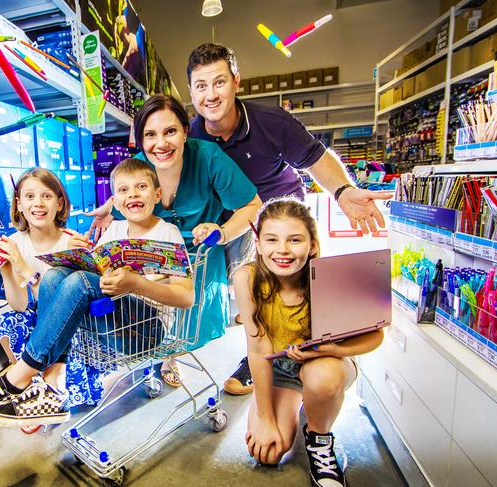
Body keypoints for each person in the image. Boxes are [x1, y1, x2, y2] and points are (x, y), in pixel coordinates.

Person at [185, 43, 392, 395]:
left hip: (280, 213)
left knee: (287, 286)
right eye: (201, 86)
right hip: (232, 218)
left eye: (219, 82)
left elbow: (316, 157)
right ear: (191, 91)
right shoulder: (191, 136)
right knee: (244, 289)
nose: (211, 95)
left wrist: (343, 192)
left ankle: (309, 353)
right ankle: (259, 357)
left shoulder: (271, 122)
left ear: (236, 81)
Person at [0, 159, 195, 431]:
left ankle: (14, 379)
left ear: (157, 194)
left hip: (145, 330)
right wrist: (81, 257)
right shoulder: (113, 231)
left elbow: (186, 298)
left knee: (80, 281)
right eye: (123, 190)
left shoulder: (168, 234)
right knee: (55, 275)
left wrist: (135, 284)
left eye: (141, 187)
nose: (132, 194)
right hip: (109, 325)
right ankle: (52, 385)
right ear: (115, 202)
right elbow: (98, 274)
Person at [89, 94, 261, 387]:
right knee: (149, 305)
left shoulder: (209, 158)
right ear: (141, 141)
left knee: (187, 314)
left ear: (185, 130)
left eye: (170, 131)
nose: (161, 143)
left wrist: (221, 233)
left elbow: (252, 205)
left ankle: (171, 356)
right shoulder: (140, 164)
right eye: (150, 135)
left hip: (201, 247)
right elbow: (127, 190)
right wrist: (108, 209)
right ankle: (163, 354)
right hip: (155, 253)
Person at [233, 198, 383, 487]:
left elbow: (375, 336)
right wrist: (265, 417)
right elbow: (258, 349)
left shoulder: (332, 276)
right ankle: (300, 403)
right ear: (259, 243)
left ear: (312, 244)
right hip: (277, 369)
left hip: (324, 363)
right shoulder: (247, 277)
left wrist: (333, 350)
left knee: (322, 378)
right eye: (272, 239)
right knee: (269, 452)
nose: (283, 250)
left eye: (295, 240)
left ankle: (319, 439)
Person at [0, 168, 103, 416]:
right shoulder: (15, 242)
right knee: (4, 322)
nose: (37, 204)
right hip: (35, 315)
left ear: (60, 203)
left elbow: (56, 302)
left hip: (70, 320)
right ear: (18, 204)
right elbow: (18, 305)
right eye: (29, 196)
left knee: (55, 307)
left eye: (46, 196)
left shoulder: (71, 241)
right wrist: (6, 267)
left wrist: (24, 267)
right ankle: (28, 385)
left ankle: (45, 384)